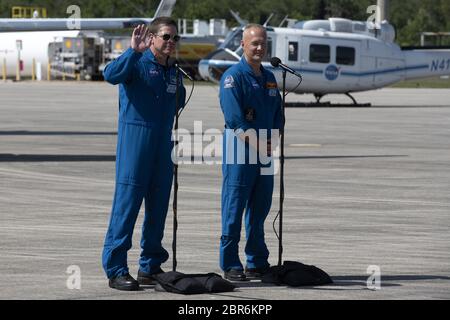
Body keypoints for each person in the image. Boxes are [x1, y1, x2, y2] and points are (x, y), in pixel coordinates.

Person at [102, 17, 186, 291]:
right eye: (166, 36)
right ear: (152, 38)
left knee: (158, 207)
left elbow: (179, 101)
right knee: (126, 206)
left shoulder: (173, 71)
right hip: (135, 143)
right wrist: (132, 51)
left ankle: (150, 266)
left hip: (162, 144)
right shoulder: (136, 63)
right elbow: (110, 75)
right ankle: (116, 268)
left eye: (175, 38)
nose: (171, 42)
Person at [219, 24, 282, 281]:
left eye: (263, 43)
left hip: (265, 151)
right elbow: (235, 120)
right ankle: (230, 262)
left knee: (260, 208)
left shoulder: (268, 77)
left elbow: (277, 113)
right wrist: (258, 144)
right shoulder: (233, 77)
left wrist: (274, 140)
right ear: (243, 45)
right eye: (254, 43)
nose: (259, 48)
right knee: (234, 207)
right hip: (240, 151)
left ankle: (256, 260)